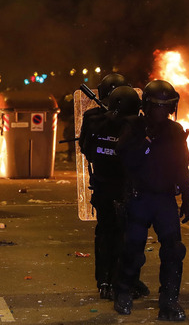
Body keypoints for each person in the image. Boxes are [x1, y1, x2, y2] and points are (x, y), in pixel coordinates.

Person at [114, 80, 189, 321]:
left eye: (166, 107)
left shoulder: (175, 131)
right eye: (158, 107)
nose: (162, 113)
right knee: (133, 250)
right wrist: (147, 140)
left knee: (174, 250)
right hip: (139, 198)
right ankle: (124, 292)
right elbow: (128, 159)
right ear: (147, 106)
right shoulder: (133, 127)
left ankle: (169, 300)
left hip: (164, 199)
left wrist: (187, 195)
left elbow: (182, 165)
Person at [80, 85, 139, 301]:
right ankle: (122, 281)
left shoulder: (97, 121)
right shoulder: (132, 126)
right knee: (124, 236)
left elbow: (85, 149)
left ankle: (105, 281)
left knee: (106, 233)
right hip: (124, 188)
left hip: (103, 186)